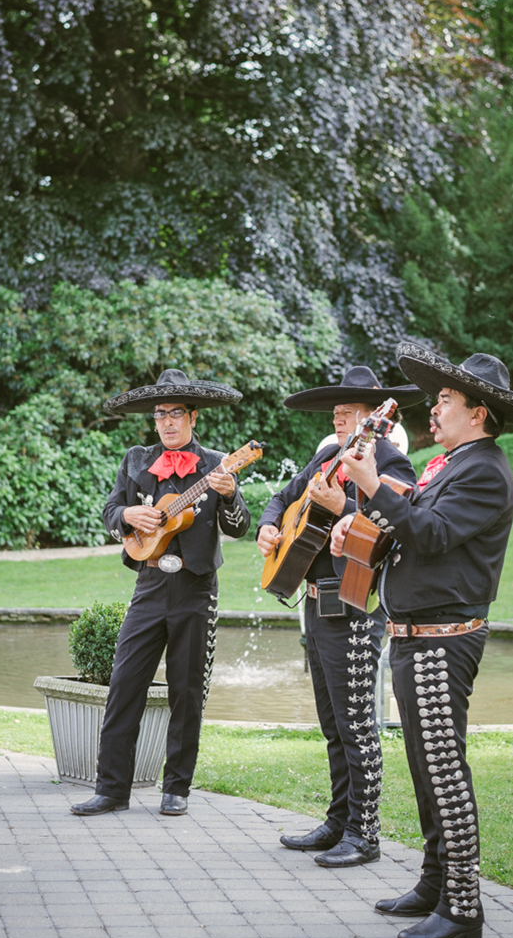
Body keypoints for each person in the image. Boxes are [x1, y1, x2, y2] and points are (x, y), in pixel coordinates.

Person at [331, 345, 513, 938]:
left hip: (443, 640)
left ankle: (462, 908)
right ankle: (433, 884)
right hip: (414, 637)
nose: (433, 409)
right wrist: (360, 535)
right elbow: (411, 538)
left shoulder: (484, 469)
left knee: (445, 772)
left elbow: (430, 536)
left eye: (446, 400)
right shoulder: (449, 464)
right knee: (426, 770)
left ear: (479, 412)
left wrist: (374, 485)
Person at [258, 367, 421, 867]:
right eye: (336, 412)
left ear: (372, 418)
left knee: (356, 723)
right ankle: (337, 820)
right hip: (313, 601)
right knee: (332, 723)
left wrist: (345, 501)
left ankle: (364, 832)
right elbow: (282, 499)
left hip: (353, 607)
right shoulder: (328, 454)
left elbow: (395, 519)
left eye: (346, 411)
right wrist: (267, 527)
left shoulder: (392, 459)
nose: (338, 418)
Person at [71, 369, 251, 818]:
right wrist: (130, 513)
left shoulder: (216, 464)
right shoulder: (136, 460)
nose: (167, 421)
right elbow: (111, 511)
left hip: (195, 587)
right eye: (160, 414)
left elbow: (240, 526)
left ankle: (177, 789)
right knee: (124, 684)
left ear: (193, 416)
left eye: (176, 413)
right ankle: (111, 789)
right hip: (149, 584)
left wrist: (228, 496)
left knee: (186, 692)